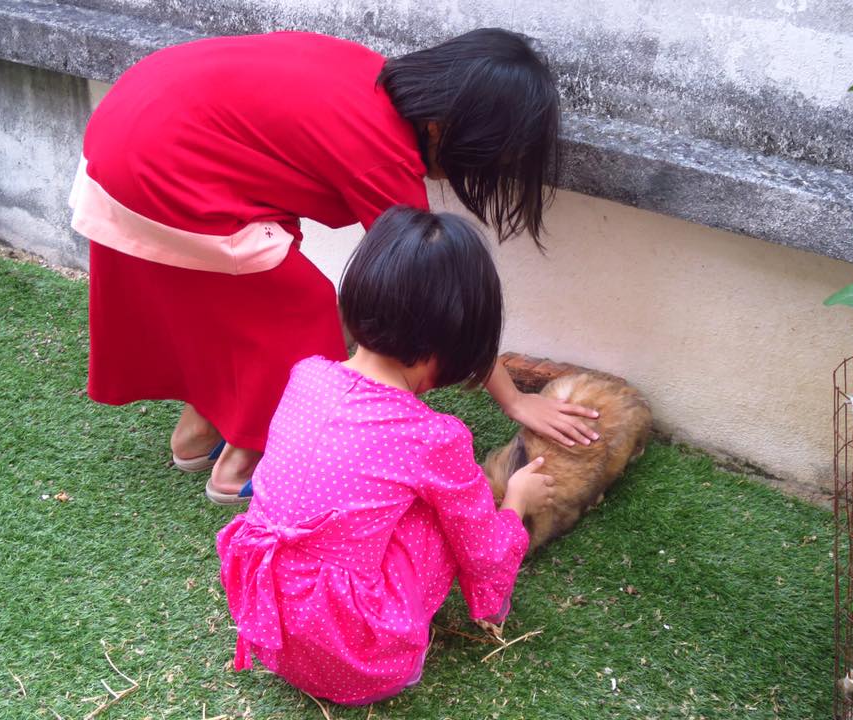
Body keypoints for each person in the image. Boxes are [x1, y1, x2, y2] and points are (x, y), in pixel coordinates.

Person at [70, 28, 599, 503]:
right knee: (300, 310)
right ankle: (242, 465)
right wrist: (515, 402)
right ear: (442, 127)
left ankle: (197, 434)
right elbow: (440, 293)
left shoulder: (368, 74)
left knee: (237, 299)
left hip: (129, 124)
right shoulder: (382, 152)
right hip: (159, 166)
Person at [217, 207, 556, 704]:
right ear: (460, 340)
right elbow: (480, 549)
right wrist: (516, 501)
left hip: (270, 623)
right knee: (446, 512)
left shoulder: (306, 375)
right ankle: (396, 657)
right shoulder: (433, 436)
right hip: (363, 661)